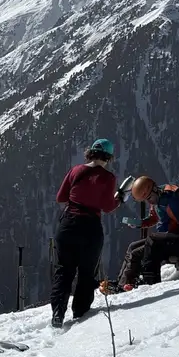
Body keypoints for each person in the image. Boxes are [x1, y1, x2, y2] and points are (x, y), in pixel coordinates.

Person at [50, 139, 121, 328]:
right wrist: (119, 199)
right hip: (90, 227)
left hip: (67, 225)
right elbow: (107, 206)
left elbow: (61, 197)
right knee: (87, 271)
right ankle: (80, 313)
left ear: (90, 153)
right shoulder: (108, 177)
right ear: (108, 157)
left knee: (64, 270)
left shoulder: (76, 171)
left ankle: (58, 313)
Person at [116, 176, 179, 288]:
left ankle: (126, 284)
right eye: (146, 199)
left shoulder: (171, 200)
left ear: (155, 189)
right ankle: (122, 282)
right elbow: (154, 219)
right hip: (161, 238)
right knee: (132, 247)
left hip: (170, 240)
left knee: (136, 253)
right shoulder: (157, 200)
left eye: (149, 197)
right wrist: (141, 224)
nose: (149, 201)